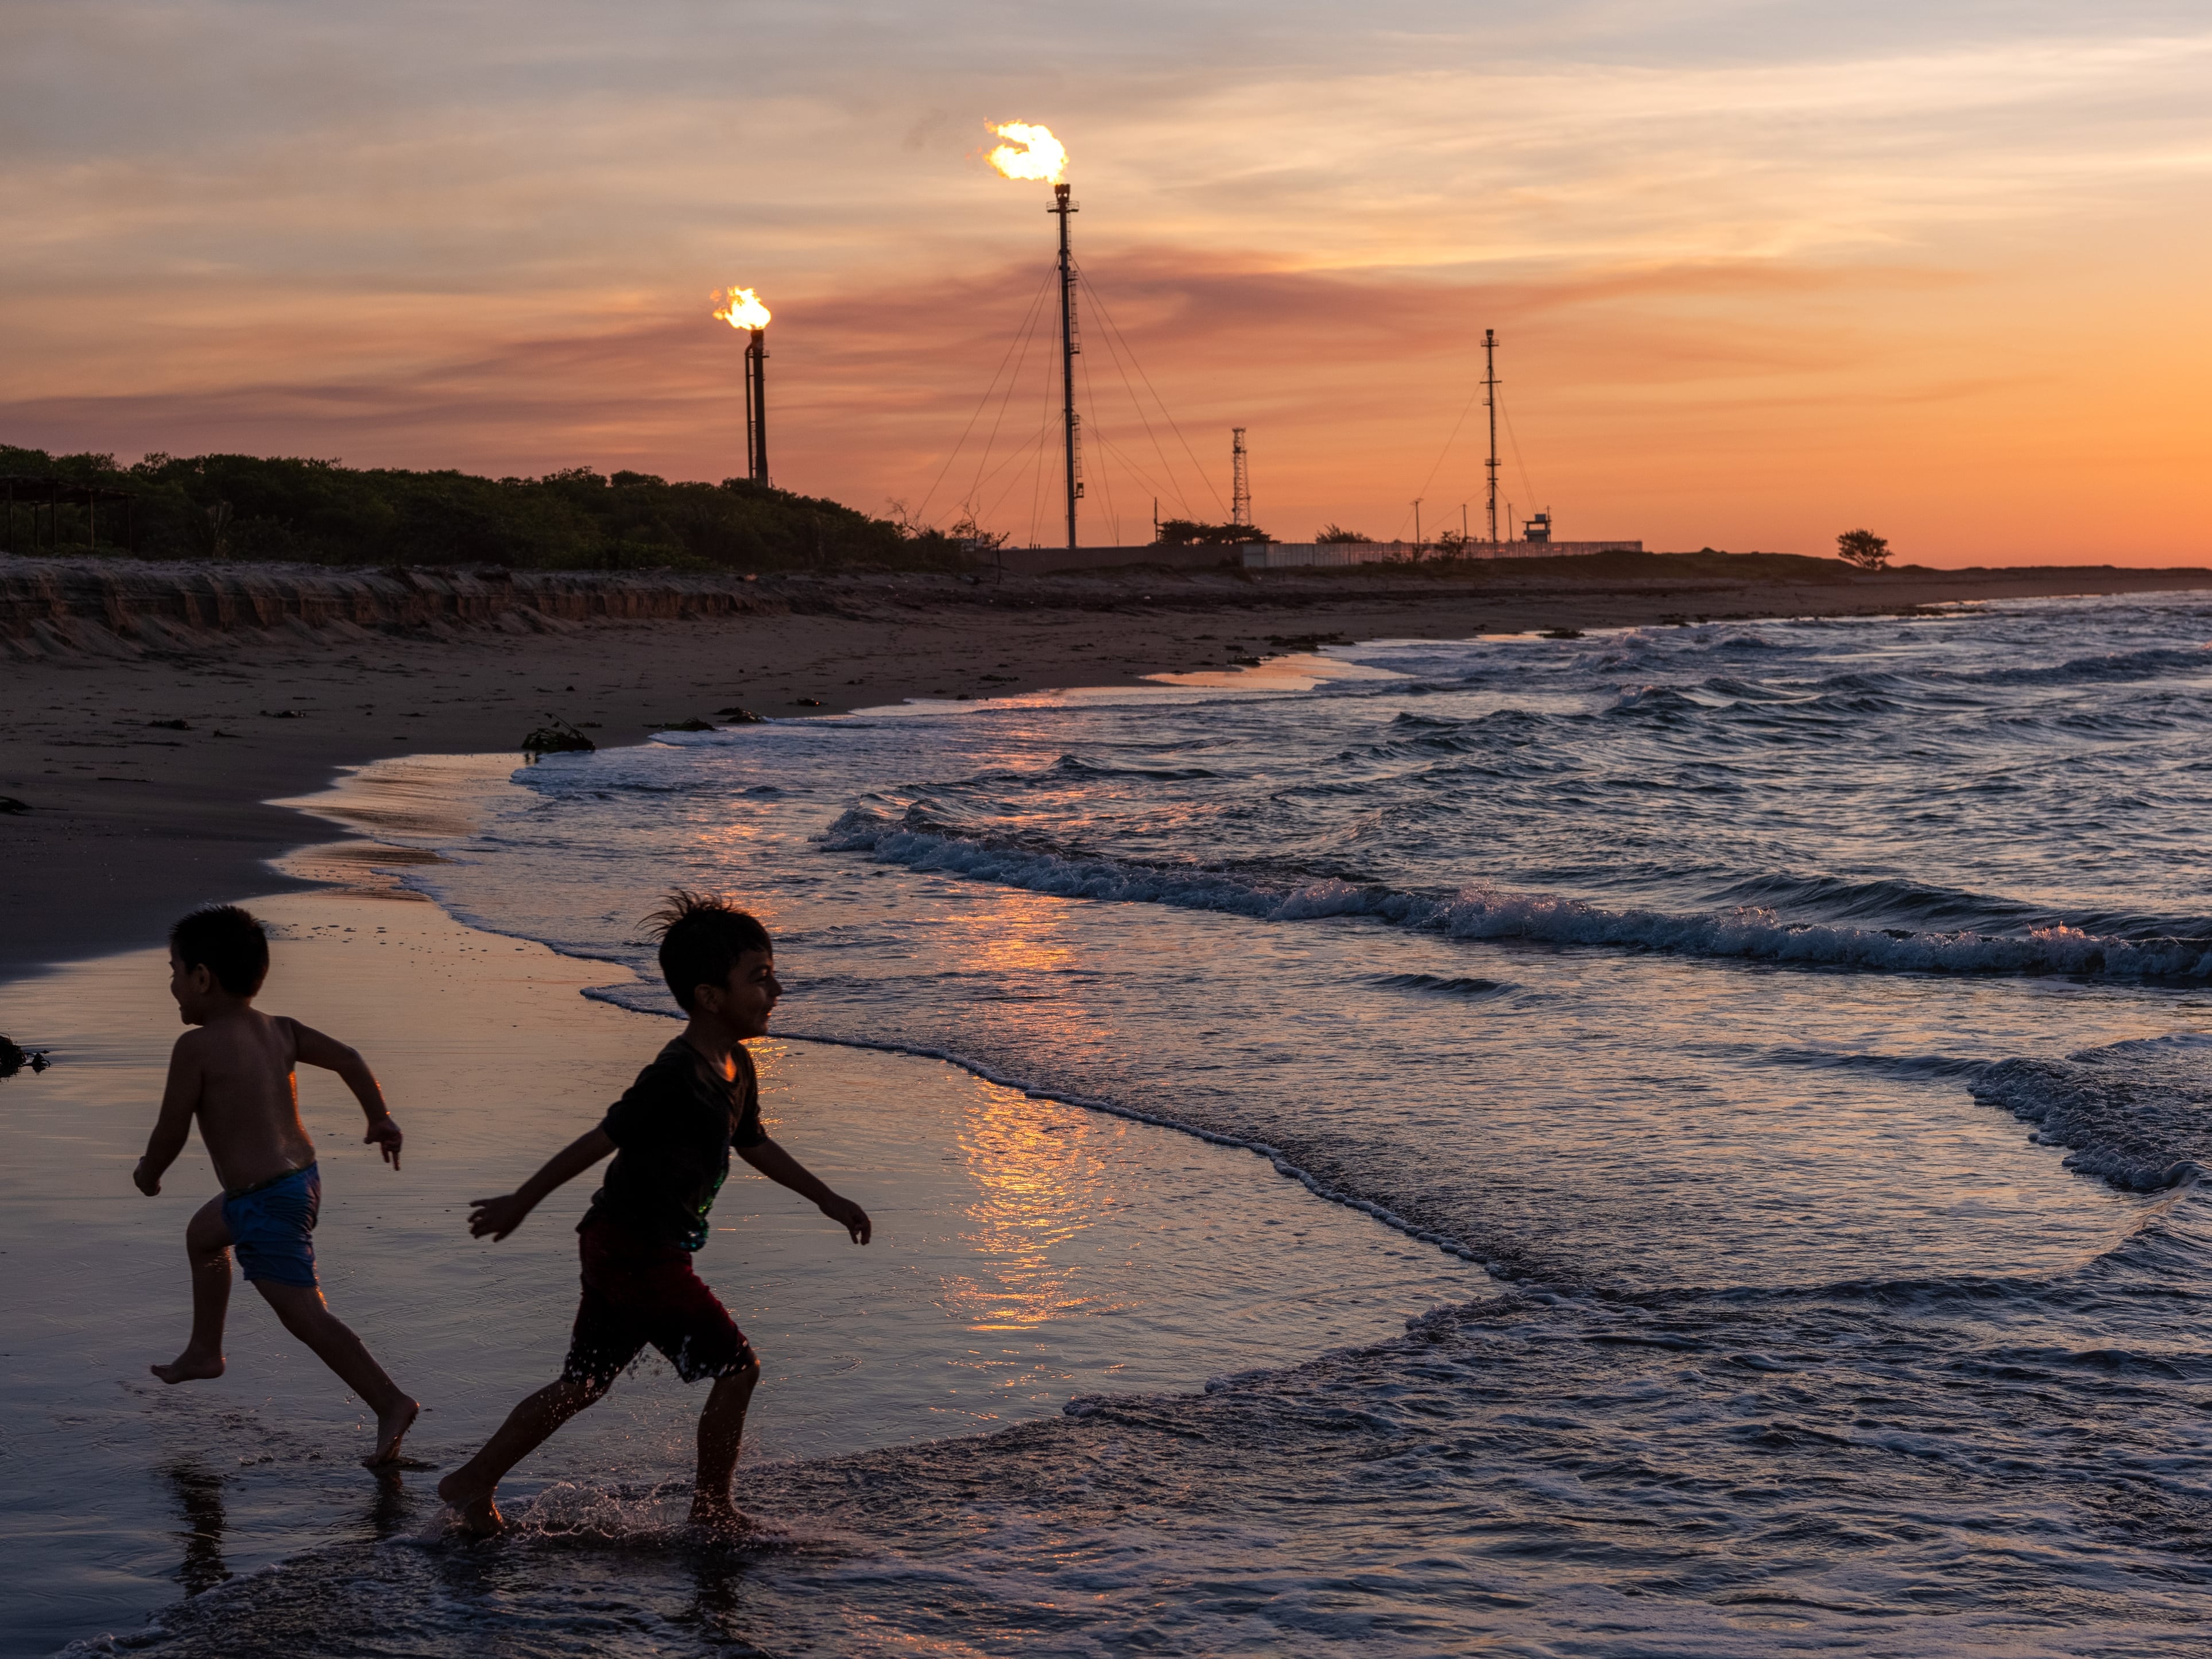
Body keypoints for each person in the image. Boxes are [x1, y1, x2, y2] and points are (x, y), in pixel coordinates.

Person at [436, 891, 870, 1538]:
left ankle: (473, 1479)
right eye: (759, 977)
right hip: (637, 1249)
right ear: (708, 995)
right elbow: (600, 1138)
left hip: (626, 1245)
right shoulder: (674, 1074)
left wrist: (826, 1198)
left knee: (584, 1383)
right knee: (738, 1368)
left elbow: (751, 1142)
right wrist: (520, 1202)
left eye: (773, 972)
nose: (776, 989)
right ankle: (712, 1508)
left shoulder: (737, 1063)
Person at [134, 904, 419, 1467]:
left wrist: (150, 1171)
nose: (171, 984)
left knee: (305, 1316)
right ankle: (205, 1349)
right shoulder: (281, 1030)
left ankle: (390, 1400)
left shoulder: (195, 1048)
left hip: (264, 1200)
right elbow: (350, 1059)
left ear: (202, 977)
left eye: (173, 971)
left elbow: (171, 1129)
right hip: (296, 1182)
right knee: (203, 1235)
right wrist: (378, 1116)